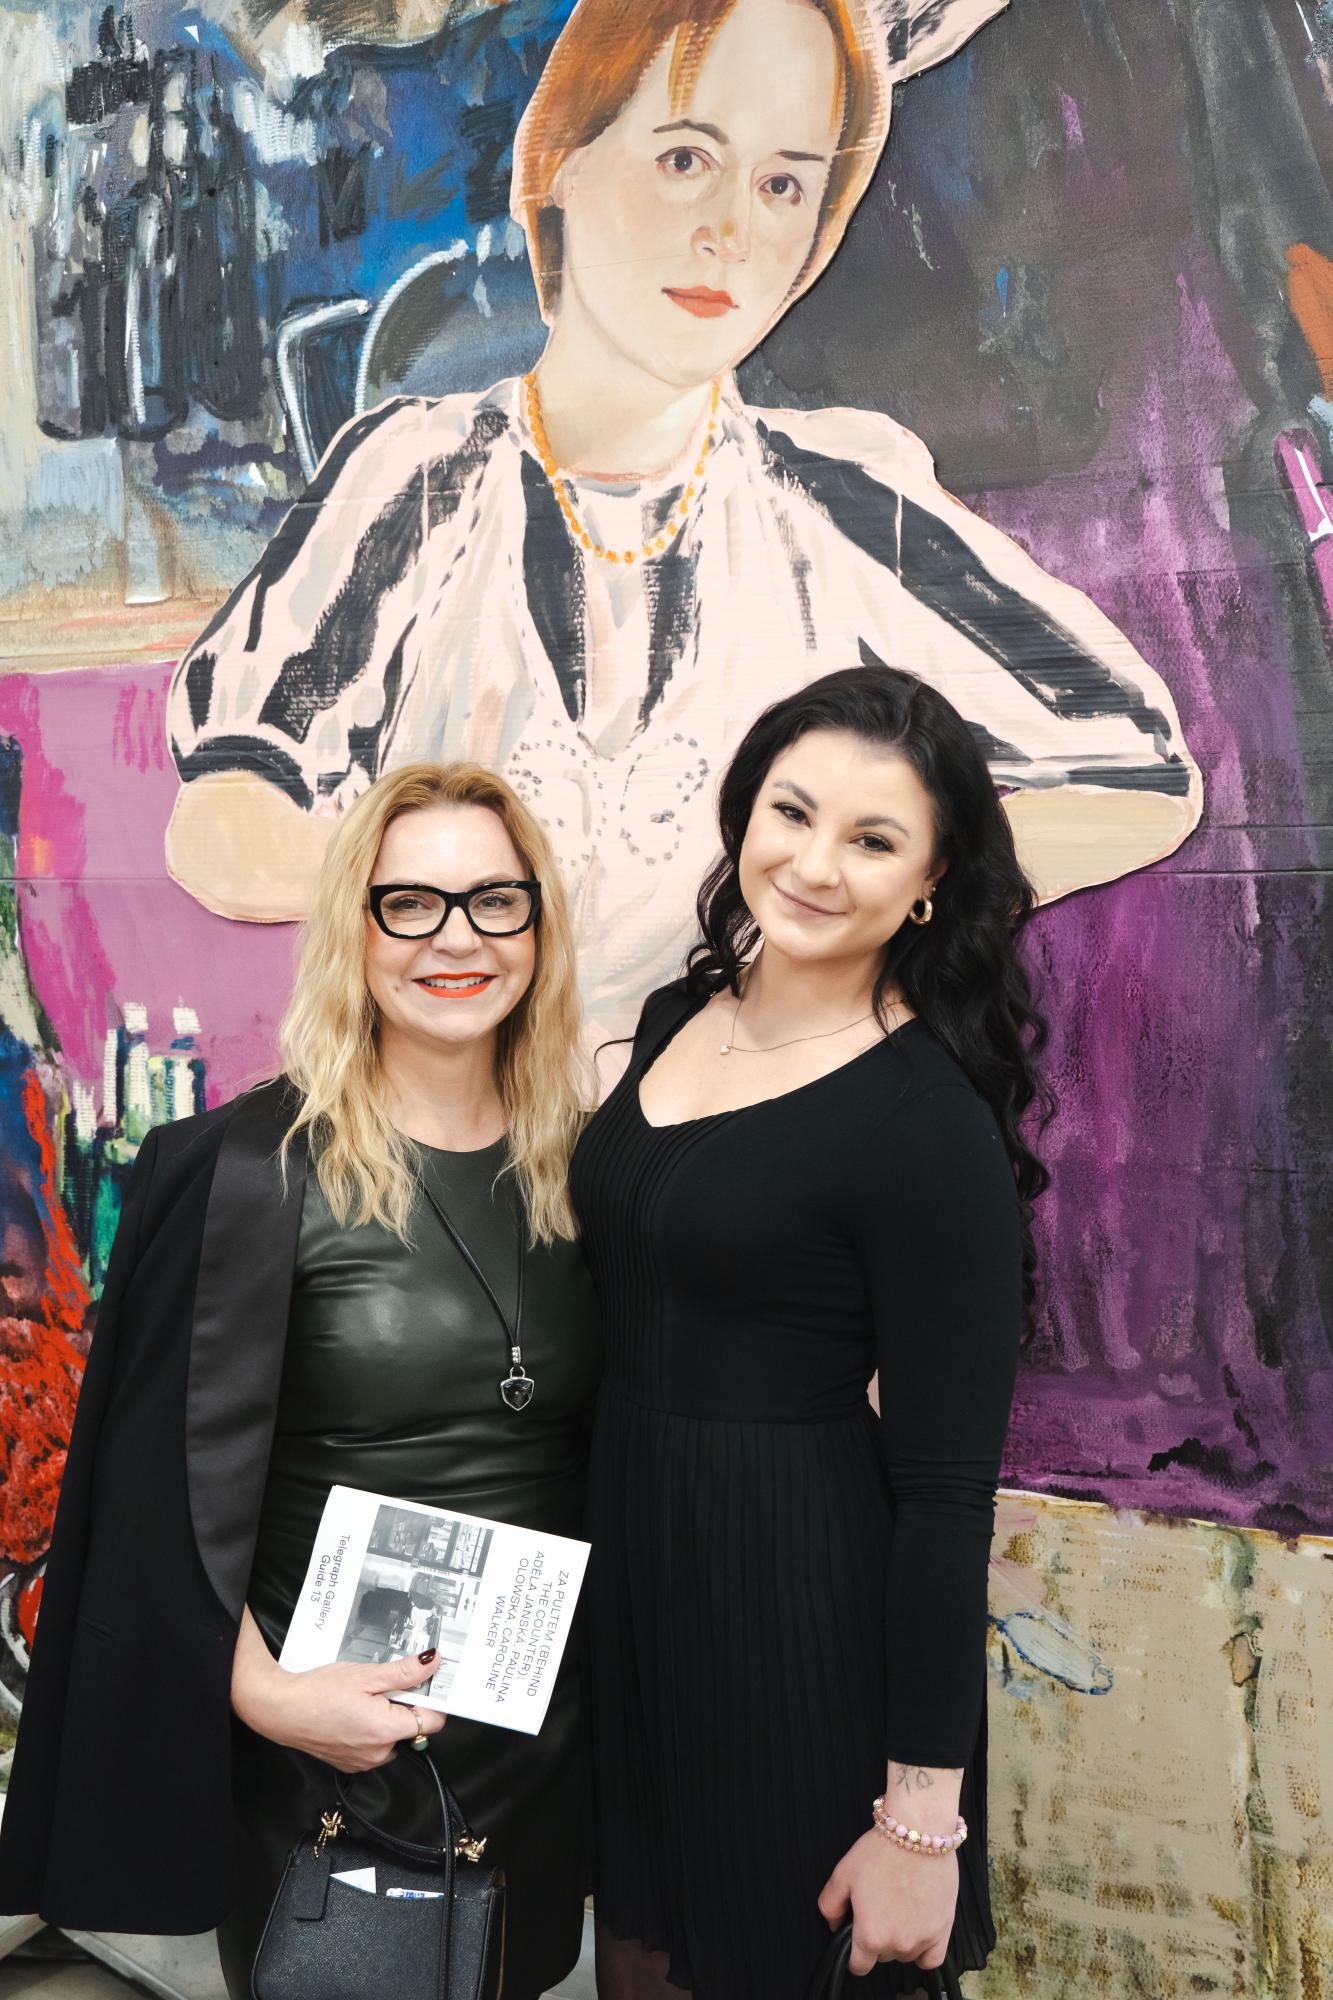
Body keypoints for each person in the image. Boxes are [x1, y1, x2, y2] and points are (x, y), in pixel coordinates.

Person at [164, 0, 1200, 1046]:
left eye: (783, 184)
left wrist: (852, 920)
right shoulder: (419, 480)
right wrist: (461, 901)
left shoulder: (842, 499)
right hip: (459, 1113)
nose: (731, 232)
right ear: (561, 164)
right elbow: (224, 817)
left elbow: (1137, 776)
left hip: (733, 1124)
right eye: (685, 159)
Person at [0, 762, 601, 2000]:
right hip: (326, 1751)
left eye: (495, 900)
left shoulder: (587, 1171)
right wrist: (266, 1694)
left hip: (534, 1748)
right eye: (409, 902)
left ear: (539, 925)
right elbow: (148, 1497)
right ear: (353, 928)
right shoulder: (242, 1171)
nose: (456, 938)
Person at [569, 663, 1043, 1997]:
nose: (815, 863)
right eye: (792, 811)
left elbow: (946, 1499)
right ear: (746, 814)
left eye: (873, 839)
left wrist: (921, 1824)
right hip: (636, 1588)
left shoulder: (922, 1119)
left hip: (793, 1608)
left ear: (930, 883)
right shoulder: (679, 1017)